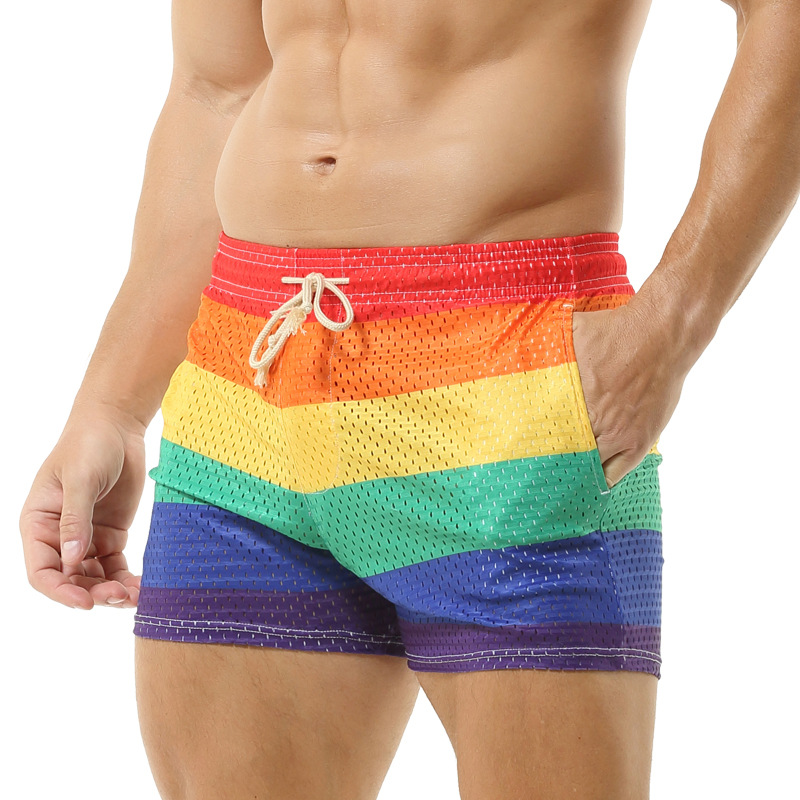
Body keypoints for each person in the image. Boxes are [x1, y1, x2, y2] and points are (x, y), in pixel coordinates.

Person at [17, 0, 800, 798]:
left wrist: (671, 326)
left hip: (506, 387)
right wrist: (110, 405)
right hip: (246, 383)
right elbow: (215, 90)